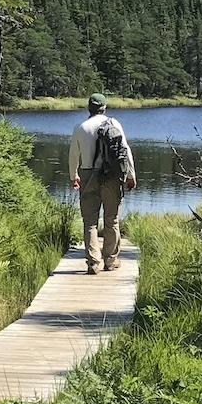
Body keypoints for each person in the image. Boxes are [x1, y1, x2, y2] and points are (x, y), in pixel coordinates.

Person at [69, 93, 136, 274]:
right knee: (111, 219)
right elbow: (125, 150)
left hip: (87, 173)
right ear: (104, 108)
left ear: (89, 108)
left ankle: (94, 263)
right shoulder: (114, 124)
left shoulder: (80, 127)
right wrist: (131, 175)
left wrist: (74, 175)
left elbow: (73, 155)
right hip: (112, 175)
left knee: (90, 221)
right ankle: (111, 260)